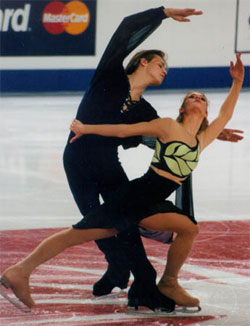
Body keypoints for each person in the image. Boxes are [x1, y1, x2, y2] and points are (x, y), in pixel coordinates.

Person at [0, 53, 244, 311]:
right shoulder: (167, 127)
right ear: (182, 108)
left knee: (189, 228)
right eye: (191, 97)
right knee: (77, 234)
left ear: (206, 111)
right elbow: (124, 131)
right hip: (133, 198)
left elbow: (226, 114)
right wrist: (87, 129)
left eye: (202, 98)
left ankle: (169, 282)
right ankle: (20, 271)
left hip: (151, 205)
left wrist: (237, 81)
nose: (197, 99)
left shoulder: (201, 140)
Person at [62, 5, 243, 309]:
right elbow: (125, 27)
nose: (165, 70)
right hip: (77, 160)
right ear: (143, 61)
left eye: (166, 68)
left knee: (124, 219)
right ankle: (118, 268)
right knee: (93, 219)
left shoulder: (145, 111)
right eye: (160, 64)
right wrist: (162, 13)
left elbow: (168, 139)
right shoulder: (110, 75)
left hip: (107, 164)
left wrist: (210, 130)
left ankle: (144, 282)